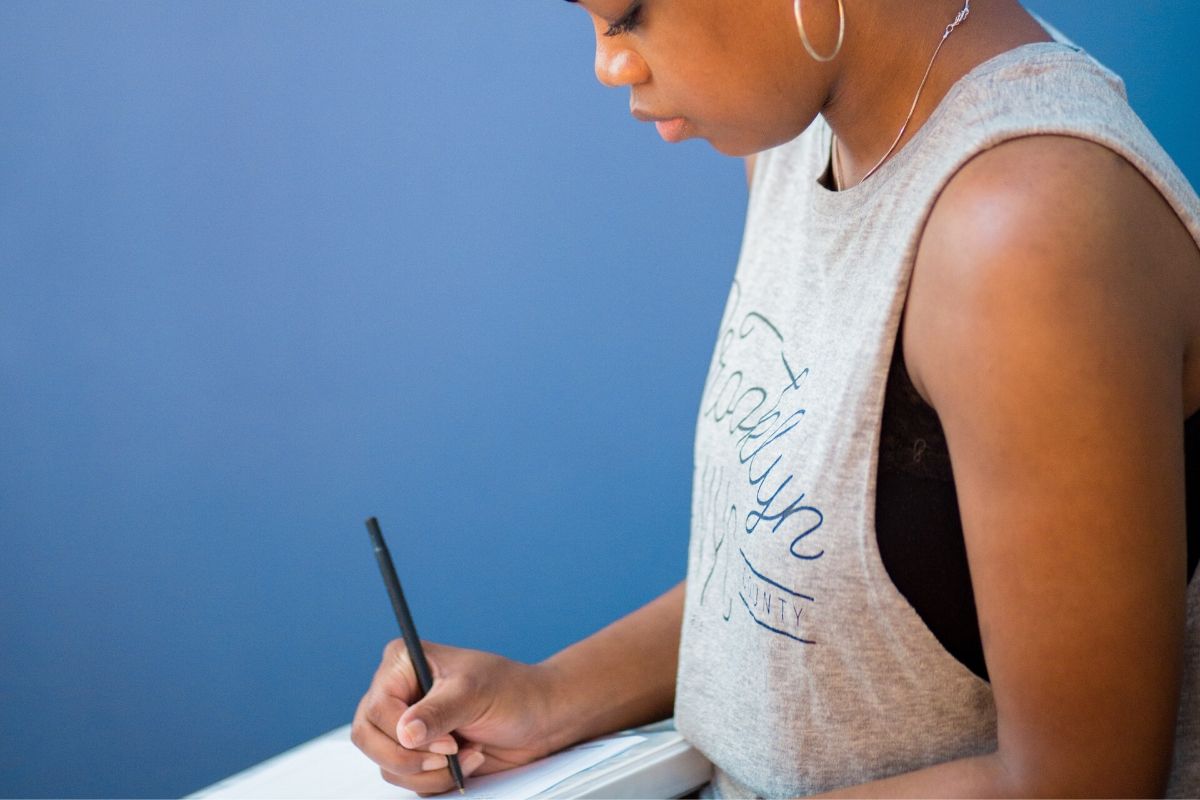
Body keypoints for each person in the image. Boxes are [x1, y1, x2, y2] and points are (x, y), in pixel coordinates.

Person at [351, 0, 1200, 795]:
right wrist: (550, 695)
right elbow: (810, 583)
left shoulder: (1022, 230)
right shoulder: (801, 131)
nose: (609, 65)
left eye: (630, 16)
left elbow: (1080, 784)